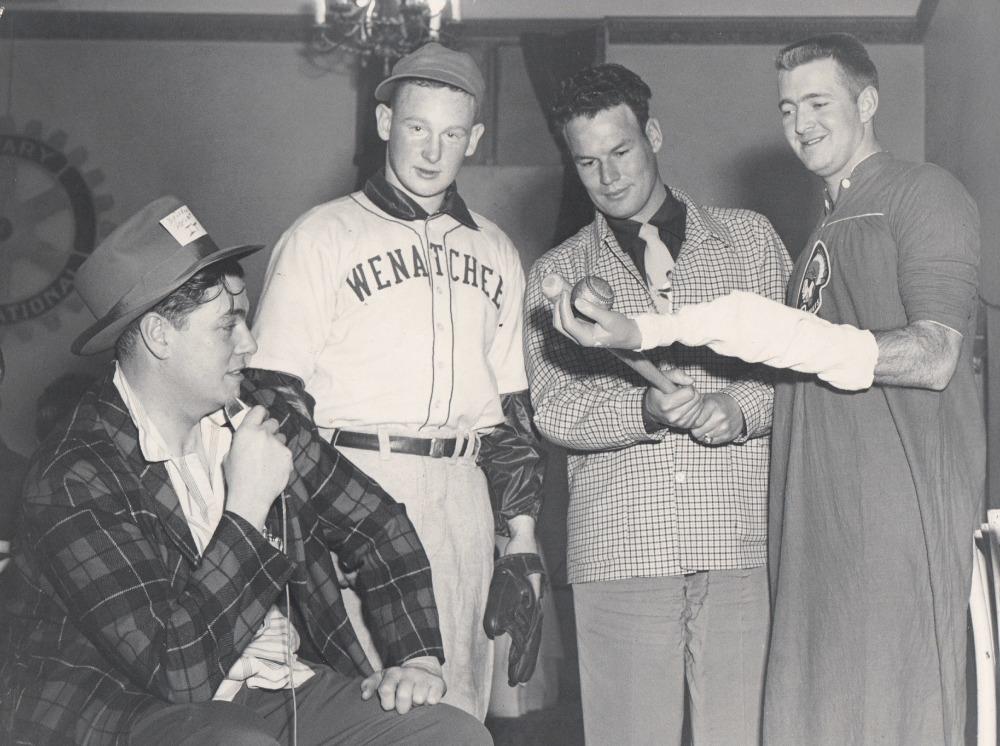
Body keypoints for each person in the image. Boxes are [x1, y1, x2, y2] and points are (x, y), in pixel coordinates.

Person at [0, 196, 491, 746]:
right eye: (227, 326)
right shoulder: (75, 474)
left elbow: (379, 525)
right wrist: (248, 503)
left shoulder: (259, 415)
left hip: (266, 687)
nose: (250, 343)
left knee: (453, 734)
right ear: (160, 335)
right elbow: (178, 672)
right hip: (124, 706)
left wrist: (418, 660)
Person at [250, 42, 545, 720]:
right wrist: (328, 514)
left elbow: (508, 411)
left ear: (474, 139)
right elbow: (272, 393)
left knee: (455, 709)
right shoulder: (322, 235)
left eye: (452, 135)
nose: (433, 151)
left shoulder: (496, 248)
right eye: (417, 127)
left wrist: (522, 537)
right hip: (353, 485)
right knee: (362, 712)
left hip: (463, 493)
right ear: (385, 122)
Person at [522, 63, 791, 745]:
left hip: (739, 543)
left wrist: (738, 408)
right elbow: (554, 409)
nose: (609, 177)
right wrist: (641, 410)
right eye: (587, 163)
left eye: (621, 151)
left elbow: (798, 375)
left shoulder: (751, 241)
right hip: (620, 549)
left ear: (655, 136)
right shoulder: (555, 274)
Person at [766, 34, 983, 744]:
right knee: (817, 710)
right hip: (816, 516)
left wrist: (803, 342)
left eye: (818, 103)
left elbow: (936, 354)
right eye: (788, 108)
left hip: (894, 513)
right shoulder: (818, 233)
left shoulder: (923, 192)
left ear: (867, 103)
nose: (801, 123)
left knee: (894, 708)